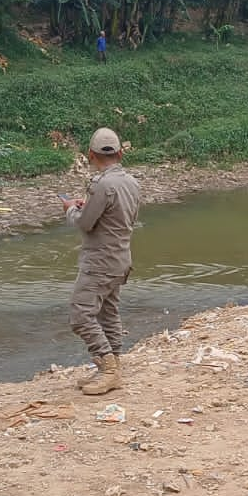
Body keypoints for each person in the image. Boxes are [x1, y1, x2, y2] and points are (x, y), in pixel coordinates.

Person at [63, 128, 142, 395]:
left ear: (90, 155)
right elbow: (117, 216)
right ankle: (113, 364)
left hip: (100, 261)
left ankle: (108, 368)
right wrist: (89, 205)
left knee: (80, 314)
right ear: (120, 153)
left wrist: (72, 209)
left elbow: (85, 224)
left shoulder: (101, 185)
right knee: (108, 313)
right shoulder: (131, 182)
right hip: (121, 257)